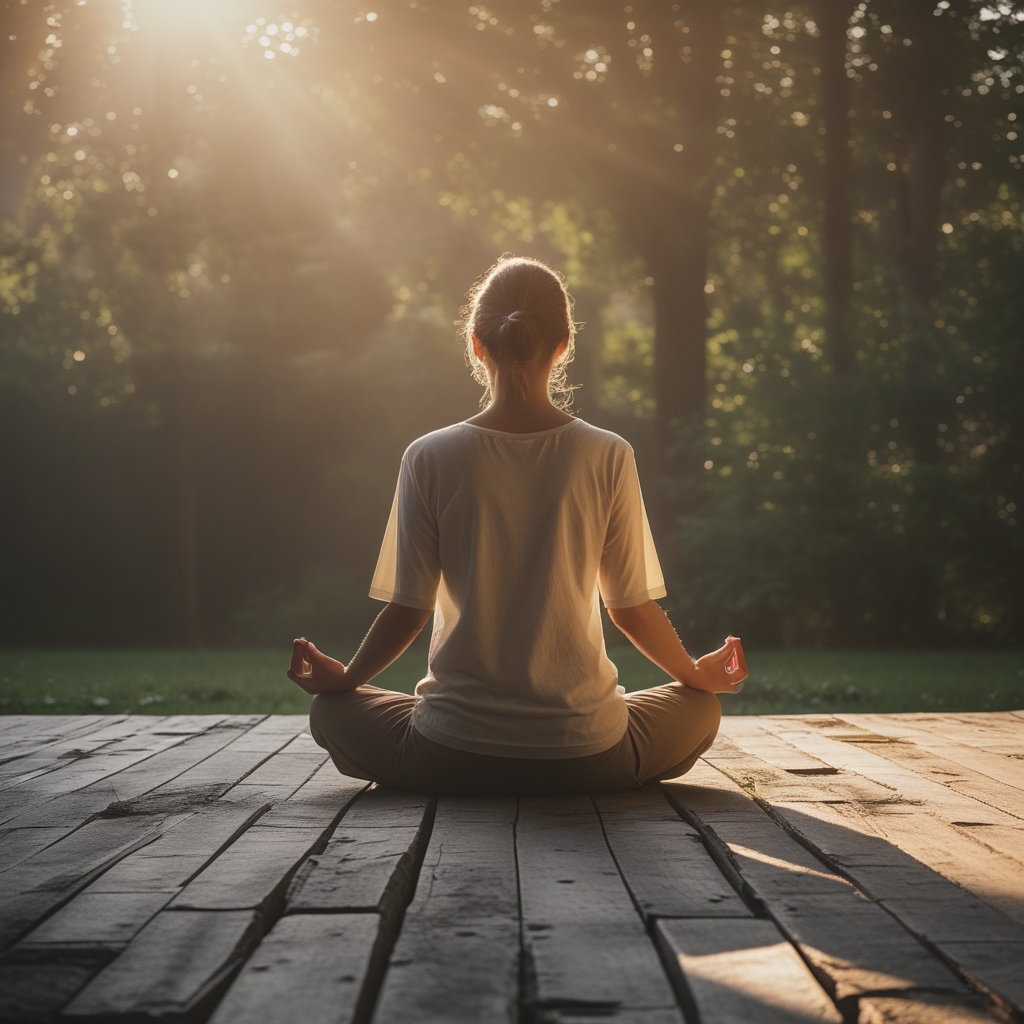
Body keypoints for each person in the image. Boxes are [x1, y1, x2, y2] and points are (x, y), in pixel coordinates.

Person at [288, 255, 747, 796]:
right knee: (701, 708)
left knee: (330, 712)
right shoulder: (609, 454)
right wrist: (696, 675)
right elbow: (630, 610)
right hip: (587, 755)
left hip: (450, 753)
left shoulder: (428, 456)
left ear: (476, 345)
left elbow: (409, 611)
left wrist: (345, 680)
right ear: (563, 346)